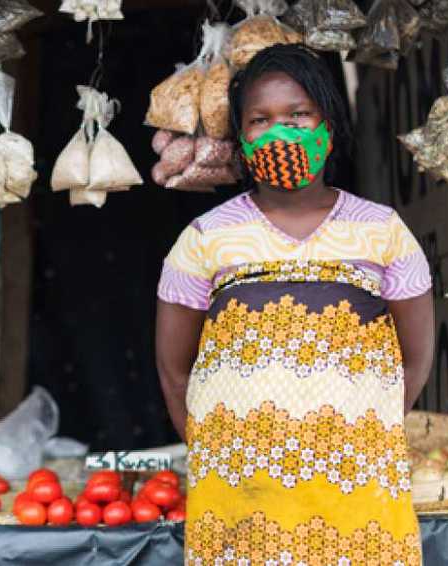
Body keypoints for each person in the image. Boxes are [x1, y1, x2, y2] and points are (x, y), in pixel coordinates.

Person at [155, 44, 433, 565]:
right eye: (260, 120)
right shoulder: (205, 238)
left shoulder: (383, 231)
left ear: (329, 124)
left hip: (355, 491)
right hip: (241, 499)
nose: (280, 132)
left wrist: (359, 437)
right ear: (241, 138)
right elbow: (174, 373)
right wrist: (223, 450)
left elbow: (415, 361)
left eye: (298, 115)